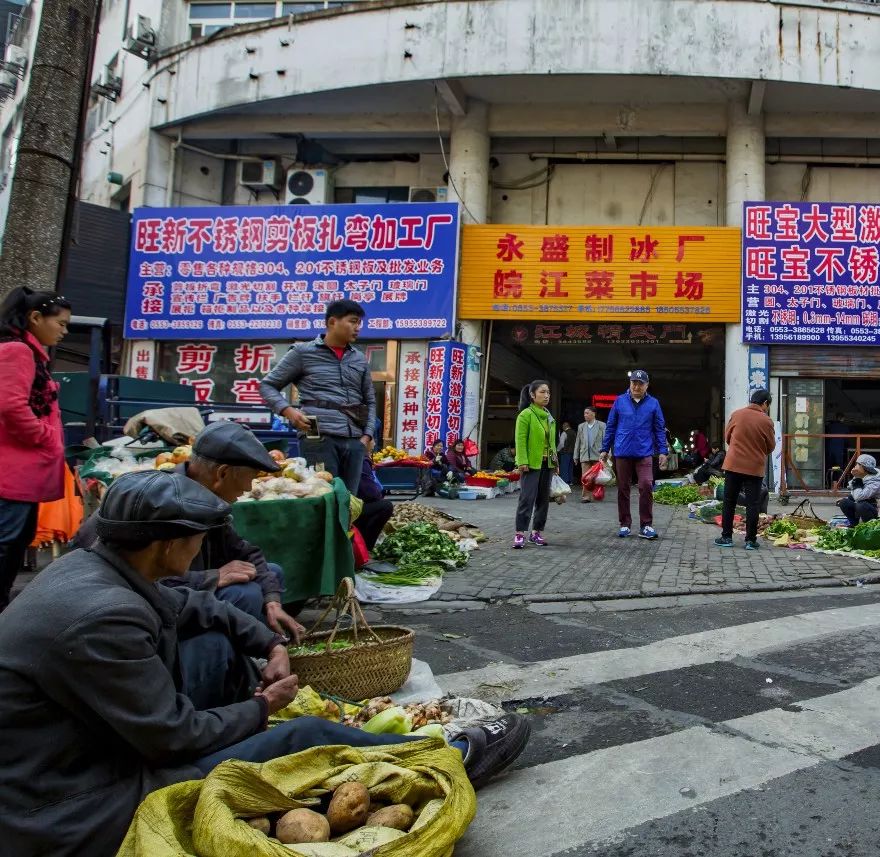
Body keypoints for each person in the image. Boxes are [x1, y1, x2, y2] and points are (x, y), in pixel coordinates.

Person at [0, 470, 529, 857]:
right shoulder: (103, 616)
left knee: (216, 642)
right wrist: (263, 708)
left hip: (87, 752)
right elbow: (171, 737)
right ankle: (449, 754)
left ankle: (266, 730)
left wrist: (269, 644)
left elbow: (194, 605)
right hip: (71, 805)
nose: (203, 549)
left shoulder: (97, 569)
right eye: (199, 540)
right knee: (299, 738)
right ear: (168, 545)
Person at [72, 422, 305, 642]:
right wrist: (211, 577)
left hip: (176, 588)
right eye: (249, 479)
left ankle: (252, 648)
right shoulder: (162, 501)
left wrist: (273, 601)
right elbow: (138, 576)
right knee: (245, 593)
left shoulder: (203, 497)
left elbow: (244, 551)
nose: (247, 489)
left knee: (269, 575)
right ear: (222, 474)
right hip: (127, 606)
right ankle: (226, 661)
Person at [0, 288, 71, 611]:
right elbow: (11, 406)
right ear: (36, 318)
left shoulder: (30, 353)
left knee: (14, 544)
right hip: (11, 473)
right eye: (61, 322)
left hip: (21, 474)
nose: (64, 330)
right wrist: (45, 438)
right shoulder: (17, 351)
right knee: (6, 545)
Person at [261, 299, 377, 495]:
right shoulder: (302, 352)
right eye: (353, 321)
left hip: (354, 437)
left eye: (359, 323)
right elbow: (267, 385)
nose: (358, 328)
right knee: (322, 494)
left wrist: (366, 436)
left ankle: (347, 527)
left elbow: (370, 401)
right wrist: (289, 412)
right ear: (332, 322)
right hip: (317, 434)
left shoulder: (358, 358)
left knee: (349, 500)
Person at [600, 370, 669, 540]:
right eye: (634, 383)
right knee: (623, 488)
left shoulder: (653, 403)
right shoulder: (620, 401)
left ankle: (646, 525)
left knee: (646, 485)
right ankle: (625, 524)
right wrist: (604, 448)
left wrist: (663, 451)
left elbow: (659, 429)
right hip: (622, 451)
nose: (636, 386)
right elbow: (611, 426)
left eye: (640, 383)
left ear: (647, 385)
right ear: (630, 384)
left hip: (644, 452)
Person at [715, 389, 776, 550]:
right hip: (754, 468)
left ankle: (726, 537)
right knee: (753, 504)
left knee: (729, 502)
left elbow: (727, 437)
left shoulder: (737, 414)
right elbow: (771, 446)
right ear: (765, 403)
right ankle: (750, 541)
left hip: (733, 465)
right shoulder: (767, 421)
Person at [513, 380, 556, 549]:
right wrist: (522, 461)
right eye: (542, 392)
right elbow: (520, 440)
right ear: (532, 395)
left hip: (547, 464)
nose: (546, 396)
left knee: (543, 500)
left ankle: (536, 532)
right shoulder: (526, 415)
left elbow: (551, 442)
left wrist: (555, 462)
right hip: (531, 465)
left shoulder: (549, 416)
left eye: (548, 393)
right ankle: (519, 533)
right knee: (527, 499)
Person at [354, 456, 394, 553]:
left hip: (350, 503)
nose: (374, 444)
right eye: (373, 441)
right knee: (386, 506)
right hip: (350, 507)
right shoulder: (360, 459)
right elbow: (370, 492)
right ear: (367, 440)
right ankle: (365, 548)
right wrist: (378, 495)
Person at [837, 454, 880, 526]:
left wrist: (857, 478)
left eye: (858, 464)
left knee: (861, 505)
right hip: (865, 505)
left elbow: (859, 497)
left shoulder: (875, 482)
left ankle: (869, 527)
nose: (855, 467)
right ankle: (853, 525)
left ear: (864, 467)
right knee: (844, 502)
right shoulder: (862, 477)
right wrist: (845, 499)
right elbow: (854, 494)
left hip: (877, 511)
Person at [575, 406, 606, 501]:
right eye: (584, 413)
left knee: (598, 478)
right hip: (584, 455)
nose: (585, 415)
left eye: (587, 413)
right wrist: (575, 456)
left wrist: (607, 454)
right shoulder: (581, 426)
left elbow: (606, 440)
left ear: (593, 414)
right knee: (585, 477)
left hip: (598, 455)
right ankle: (586, 496)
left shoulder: (602, 425)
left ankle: (597, 495)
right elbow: (578, 442)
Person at [557, 420, 577, 486]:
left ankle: (565, 481)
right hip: (573, 452)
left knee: (564, 467)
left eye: (563, 426)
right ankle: (570, 481)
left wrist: (557, 450)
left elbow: (562, 444)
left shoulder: (564, 433)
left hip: (565, 452)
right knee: (570, 467)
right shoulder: (574, 433)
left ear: (564, 426)